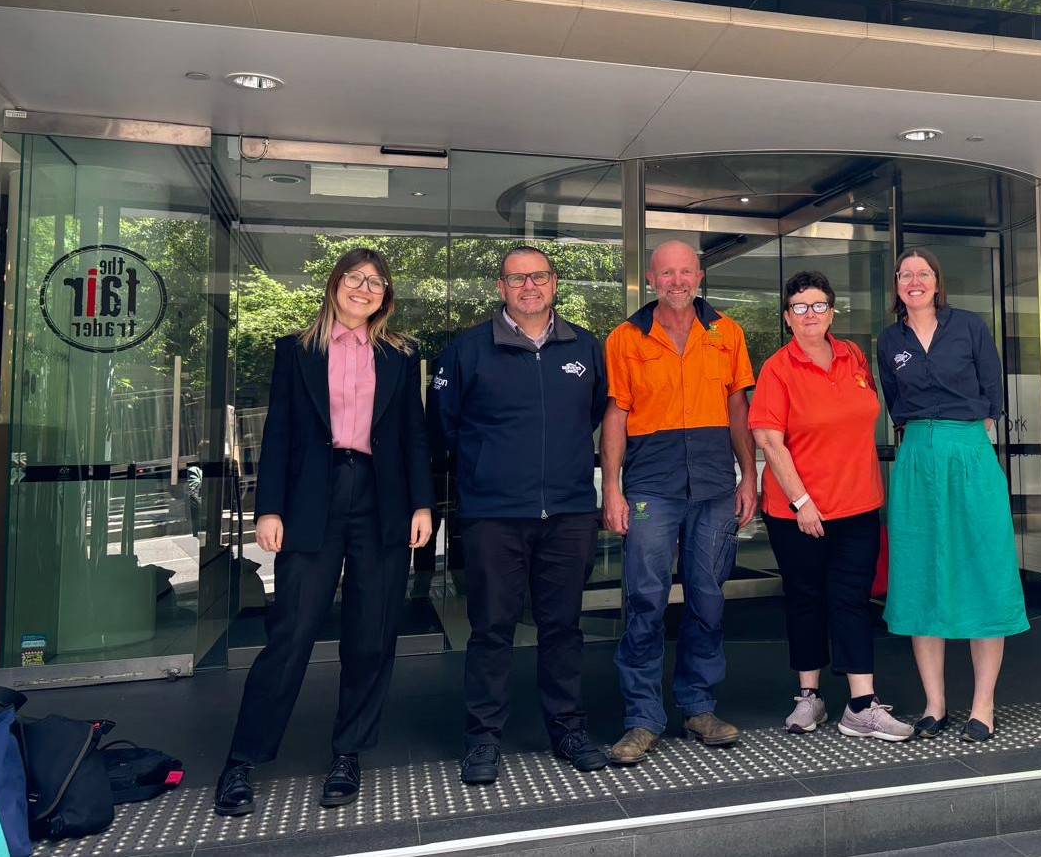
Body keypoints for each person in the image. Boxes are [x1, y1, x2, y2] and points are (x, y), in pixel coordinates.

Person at [215, 248, 433, 816]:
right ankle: (242, 759)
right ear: (335, 284)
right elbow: (280, 432)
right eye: (356, 279)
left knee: (372, 632)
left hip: (382, 500)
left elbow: (414, 433)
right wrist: (268, 509)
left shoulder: (401, 354)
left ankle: (348, 754)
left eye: (377, 283)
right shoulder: (297, 350)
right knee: (291, 632)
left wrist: (422, 506)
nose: (365, 289)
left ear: (386, 296)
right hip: (315, 497)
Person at [427, 246, 611, 781]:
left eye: (538, 277)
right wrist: (487, 470)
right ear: (501, 287)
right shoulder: (468, 349)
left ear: (554, 283)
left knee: (563, 628)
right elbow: (443, 425)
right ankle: (483, 739)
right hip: (493, 514)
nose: (528, 286)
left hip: (570, 511)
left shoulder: (585, 346)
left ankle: (569, 728)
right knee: (491, 629)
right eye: (516, 278)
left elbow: (595, 413)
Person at [600, 240, 757, 764]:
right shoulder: (625, 338)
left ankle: (698, 706)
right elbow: (617, 413)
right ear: (650, 280)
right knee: (645, 601)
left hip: (714, 486)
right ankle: (642, 718)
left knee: (707, 598)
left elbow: (737, 407)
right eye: (666, 273)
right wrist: (613, 486)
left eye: (685, 272)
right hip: (650, 485)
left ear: (699, 276)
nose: (676, 281)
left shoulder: (727, 332)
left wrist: (748, 476)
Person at [750, 271, 912, 741]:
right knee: (805, 598)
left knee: (852, 600)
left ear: (832, 311)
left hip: (857, 504)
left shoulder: (854, 357)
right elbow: (770, 443)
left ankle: (861, 704)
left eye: (818, 305)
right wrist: (803, 502)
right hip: (797, 510)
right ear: (787, 317)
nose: (810, 315)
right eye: (799, 307)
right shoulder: (778, 368)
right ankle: (809, 698)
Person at [876, 247, 1028, 743]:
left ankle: (984, 704)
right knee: (921, 572)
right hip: (918, 454)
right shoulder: (889, 340)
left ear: (937, 282)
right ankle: (935, 704)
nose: (914, 281)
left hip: (968, 452)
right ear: (897, 285)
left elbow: (992, 393)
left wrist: (967, 438)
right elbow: (894, 403)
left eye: (923, 273)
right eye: (906, 275)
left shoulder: (969, 326)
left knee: (985, 568)